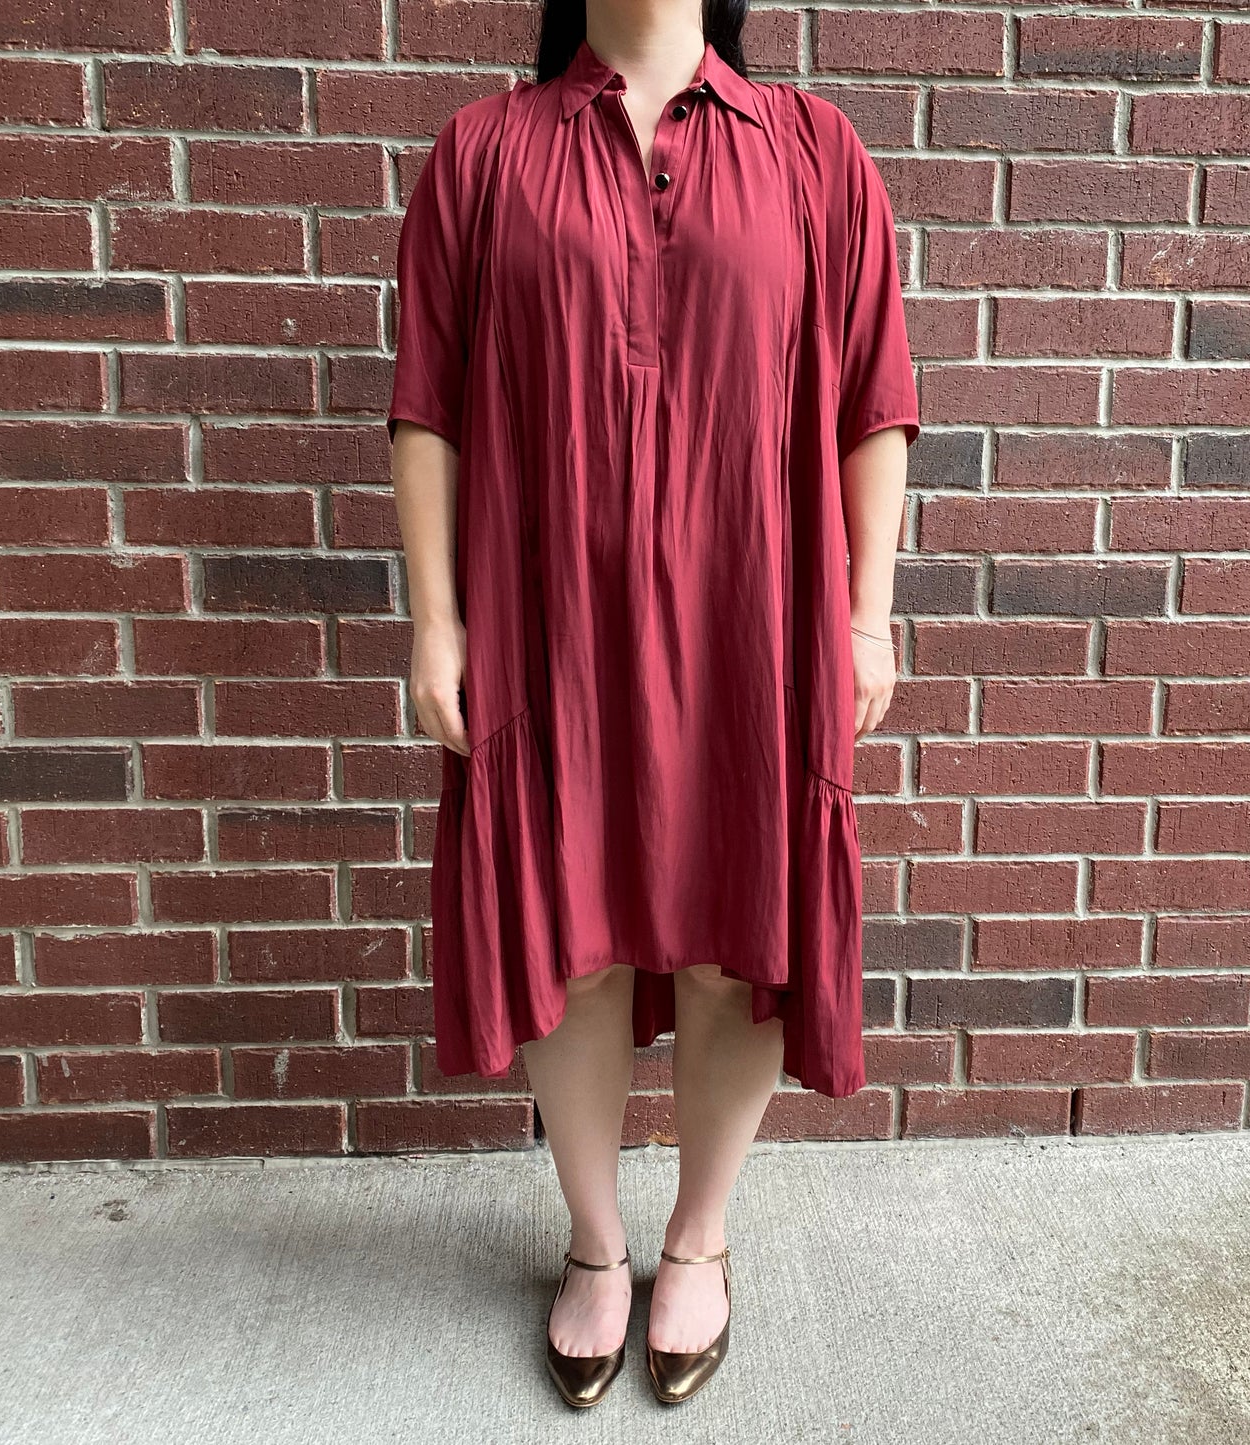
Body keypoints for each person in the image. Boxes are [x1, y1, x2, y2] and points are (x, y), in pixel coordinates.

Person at [387, 0, 919, 1410]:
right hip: (547, 619)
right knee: (570, 929)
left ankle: (699, 1234)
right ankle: (596, 1242)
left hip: (757, 623)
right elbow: (426, 404)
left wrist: (865, 614)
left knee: (735, 926)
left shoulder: (814, 151)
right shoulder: (480, 153)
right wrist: (437, 620)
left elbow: (875, 400)